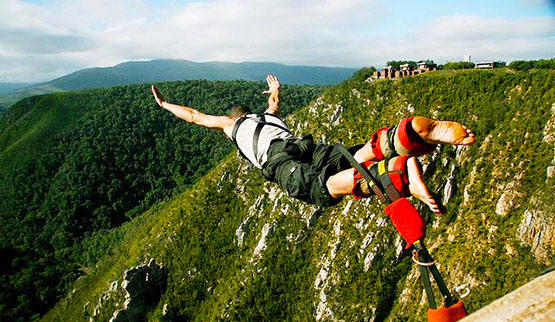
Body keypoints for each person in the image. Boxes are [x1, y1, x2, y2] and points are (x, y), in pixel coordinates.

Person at [151, 75, 475, 211]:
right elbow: (275, 100)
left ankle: (397, 174)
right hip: (299, 143)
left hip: (278, 159)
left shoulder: (231, 124)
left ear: (234, 118)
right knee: (353, 155)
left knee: (321, 188)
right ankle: (401, 135)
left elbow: (194, 115)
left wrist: (166, 105)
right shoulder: (269, 115)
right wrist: (275, 87)